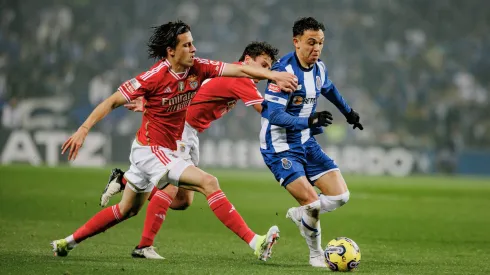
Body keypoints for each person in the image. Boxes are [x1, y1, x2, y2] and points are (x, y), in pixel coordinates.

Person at [51, 20, 298, 262]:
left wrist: (272, 75)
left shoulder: (198, 68)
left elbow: (241, 70)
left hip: (160, 149)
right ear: (171, 51)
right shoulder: (153, 77)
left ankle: (66, 243)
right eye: (188, 45)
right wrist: (84, 129)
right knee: (208, 182)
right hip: (152, 150)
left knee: (133, 209)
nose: (194, 49)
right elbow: (112, 101)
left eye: (193, 44)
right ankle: (255, 242)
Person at [100, 41, 280, 259]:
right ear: (248, 61)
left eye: (269, 68)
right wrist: (303, 119)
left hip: (190, 133)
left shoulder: (232, 75)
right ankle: (254, 241)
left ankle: (126, 181)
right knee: (180, 187)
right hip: (180, 131)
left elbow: (188, 90)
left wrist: (152, 104)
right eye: (263, 64)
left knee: (183, 201)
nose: (266, 71)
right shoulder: (240, 78)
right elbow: (269, 113)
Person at [259, 17, 363, 268]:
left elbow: (329, 89)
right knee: (313, 204)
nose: (316, 48)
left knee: (341, 196)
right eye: (311, 42)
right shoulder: (283, 72)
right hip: (280, 146)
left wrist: (348, 112)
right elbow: (272, 114)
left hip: (306, 142)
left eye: (320, 43)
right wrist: (310, 120)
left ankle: (301, 214)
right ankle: (316, 255)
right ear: (296, 42)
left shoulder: (319, 68)